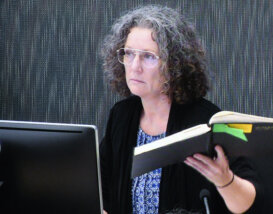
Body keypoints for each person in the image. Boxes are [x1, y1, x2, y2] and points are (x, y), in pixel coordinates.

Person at [100, 5, 262, 214]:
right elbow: (99, 188)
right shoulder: (121, 116)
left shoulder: (205, 122)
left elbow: (252, 204)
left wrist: (225, 181)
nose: (135, 66)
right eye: (129, 53)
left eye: (148, 56)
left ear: (174, 64)